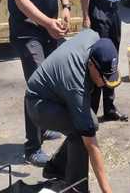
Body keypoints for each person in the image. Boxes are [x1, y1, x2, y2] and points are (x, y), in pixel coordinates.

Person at [6, 0, 69, 167]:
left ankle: (43, 126)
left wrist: (66, 6)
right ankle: (32, 146)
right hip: (28, 30)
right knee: (37, 83)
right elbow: (21, 1)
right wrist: (48, 23)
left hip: (49, 25)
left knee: (51, 79)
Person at [26, 29, 120, 193]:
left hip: (58, 93)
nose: (105, 84)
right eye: (103, 78)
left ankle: (56, 168)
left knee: (91, 124)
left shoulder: (94, 38)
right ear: (91, 64)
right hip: (39, 104)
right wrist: (108, 191)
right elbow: (91, 145)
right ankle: (76, 189)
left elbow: (88, 30)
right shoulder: (76, 85)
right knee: (81, 132)